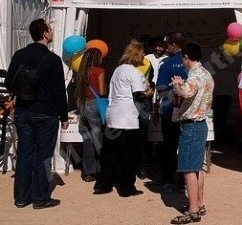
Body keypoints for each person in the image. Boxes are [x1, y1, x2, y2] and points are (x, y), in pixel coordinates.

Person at [4, 18, 68, 209]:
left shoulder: (20, 55)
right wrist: (64, 116)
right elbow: (59, 91)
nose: (52, 32)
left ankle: (21, 197)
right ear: (45, 33)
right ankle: (40, 198)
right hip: (46, 113)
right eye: (50, 29)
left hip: (23, 111)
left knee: (24, 154)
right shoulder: (52, 59)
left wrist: (21, 92)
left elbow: (8, 82)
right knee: (43, 156)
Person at [93, 41, 151, 197]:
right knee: (129, 155)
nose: (144, 56)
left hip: (113, 115)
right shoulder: (133, 72)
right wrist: (148, 93)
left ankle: (103, 184)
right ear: (136, 55)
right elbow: (138, 94)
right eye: (142, 53)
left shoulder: (117, 70)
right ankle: (126, 187)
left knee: (110, 153)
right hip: (127, 118)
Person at [169, 41, 214, 225]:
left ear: (187, 57)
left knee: (188, 169)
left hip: (191, 125)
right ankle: (199, 204)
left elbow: (186, 92)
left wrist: (177, 85)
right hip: (201, 123)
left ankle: (193, 210)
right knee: (196, 167)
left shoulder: (194, 75)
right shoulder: (207, 73)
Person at [154, 32, 188, 192]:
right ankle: (183, 180)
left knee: (169, 145)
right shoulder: (194, 63)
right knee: (185, 145)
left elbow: (160, 89)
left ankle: (168, 180)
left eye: (167, 44)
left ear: (174, 45)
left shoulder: (166, 64)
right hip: (189, 111)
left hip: (170, 111)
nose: (165, 47)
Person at [74, 47, 107, 182]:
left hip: (82, 104)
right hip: (94, 105)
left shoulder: (81, 72)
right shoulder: (99, 71)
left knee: (87, 139)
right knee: (98, 138)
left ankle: (88, 172)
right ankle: (104, 169)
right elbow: (101, 92)